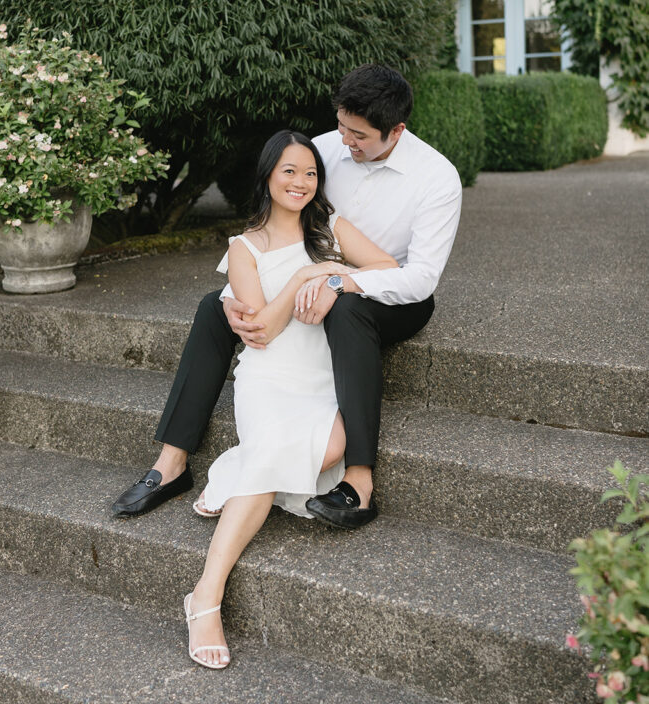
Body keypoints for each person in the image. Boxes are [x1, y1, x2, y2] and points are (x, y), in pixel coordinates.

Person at [111, 64, 462, 530]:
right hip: (315, 267)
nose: (345, 142)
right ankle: (171, 460)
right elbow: (289, 217)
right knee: (212, 306)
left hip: (389, 291)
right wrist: (240, 291)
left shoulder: (437, 178)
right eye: (341, 126)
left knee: (349, 309)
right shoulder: (327, 148)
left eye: (358, 135)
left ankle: (359, 481)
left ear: (395, 130)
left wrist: (336, 281)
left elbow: (419, 278)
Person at [183, 129, 398, 669]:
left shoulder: (334, 230)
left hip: (325, 378)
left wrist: (335, 273)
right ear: (268, 176)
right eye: (290, 172)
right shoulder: (243, 248)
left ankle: (235, 467)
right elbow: (261, 330)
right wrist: (305, 270)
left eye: (311, 173)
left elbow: (393, 271)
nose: (302, 182)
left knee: (332, 449)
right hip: (271, 379)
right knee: (284, 452)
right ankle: (205, 597)